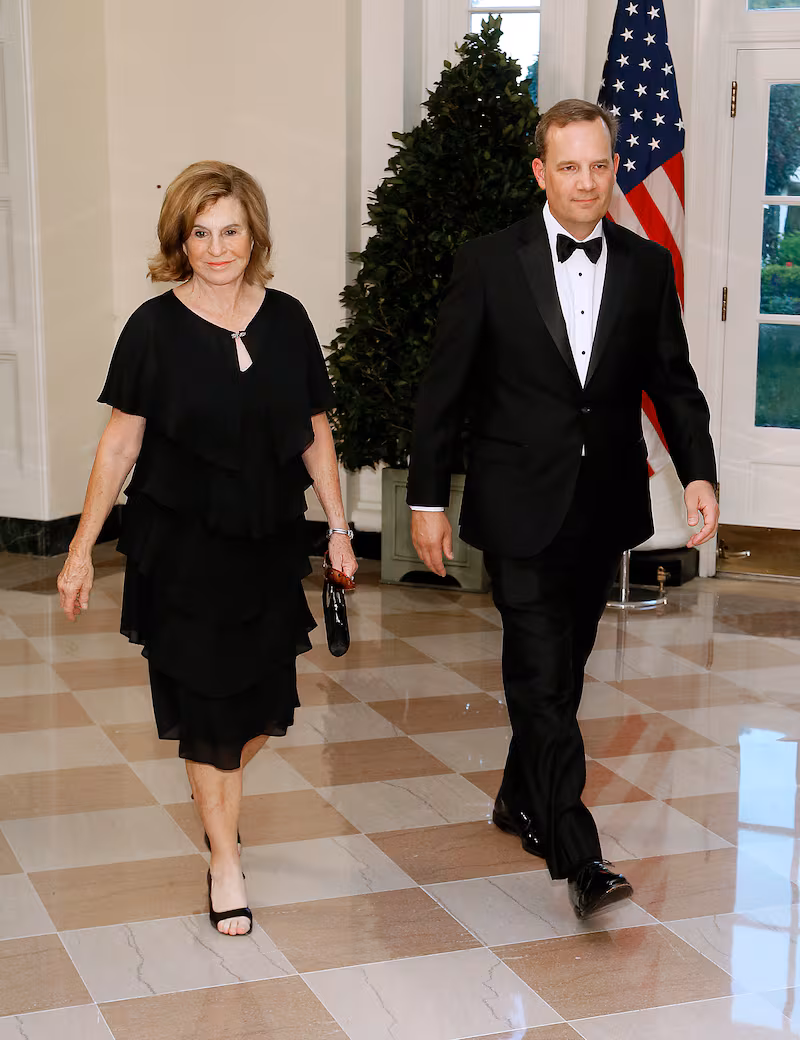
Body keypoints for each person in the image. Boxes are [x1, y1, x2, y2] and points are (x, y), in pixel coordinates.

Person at [407, 100, 718, 919]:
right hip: (516, 505)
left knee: (562, 676)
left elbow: (673, 385)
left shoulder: (648, 267)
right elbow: (442, 393)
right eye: (569, 166)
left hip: (603, 506)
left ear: (616, 168)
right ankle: (577, 852)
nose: (588, 181)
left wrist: (699, 472)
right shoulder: (487, 263)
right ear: (542, 173)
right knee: (540, 679)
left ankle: (518, 796)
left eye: (600, 165)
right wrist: (427, 498)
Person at [57, 161, 356, 936]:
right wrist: (82, 549)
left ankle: (215, 804)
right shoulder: (153, 329)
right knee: (205, 707)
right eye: (200, 234)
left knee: (258, 708)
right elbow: (120, 445)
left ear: (252, 232)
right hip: (180, 546)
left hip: (265, 542)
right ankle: (225, 858)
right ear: (179, 241)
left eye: (230, 231)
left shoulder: (288, 320)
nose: (217, 248)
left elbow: (315, 433)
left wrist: (339, 525)